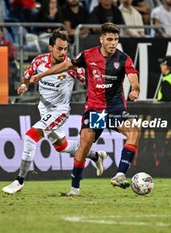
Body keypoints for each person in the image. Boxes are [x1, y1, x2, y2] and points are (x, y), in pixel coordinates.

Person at [30, 23, 140, 196]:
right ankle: (74, 188)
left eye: (116, 40)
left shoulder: (123, 58)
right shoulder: (88, 55)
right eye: (110, 39)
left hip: (115, 108)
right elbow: (67, 66)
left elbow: (133, 77)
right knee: (84, 146)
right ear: (101, 39)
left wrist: (135, 89)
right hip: (95, 109)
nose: (113, 43)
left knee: (134, 131)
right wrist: (41, 75)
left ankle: (120, 174)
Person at [2, 29, 107, 195]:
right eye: (59, 48)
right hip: (44, 109)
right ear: (50, 48)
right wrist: (24, 85)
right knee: (62, 146)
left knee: (30, 136)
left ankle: (19, 180)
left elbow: (91, 82)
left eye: (65, 49)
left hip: (60, 110)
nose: (63, 52)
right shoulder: (38, 61)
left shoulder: (71, 67)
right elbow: (28, 76)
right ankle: (96, 155)